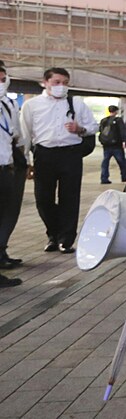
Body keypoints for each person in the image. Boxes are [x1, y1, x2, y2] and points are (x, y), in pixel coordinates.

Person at [21, 67, 99, 253]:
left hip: (70, 154)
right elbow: (25, 134)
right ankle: (53, 234)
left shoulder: (76, 103)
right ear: (45, 82)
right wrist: (26, 160)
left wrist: (79, 129)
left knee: (70, 198)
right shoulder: (32, 105)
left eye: (65, 83)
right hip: (44, 154)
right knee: (43, 198)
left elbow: (93, 126)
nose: (61, 87)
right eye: (56, 82)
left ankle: (66, 239)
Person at [0, 62, 28, 280]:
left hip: (7, 169)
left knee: (8, 215)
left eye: (2, 78)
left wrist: (24, 161)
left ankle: (1, 254)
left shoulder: (9, 104)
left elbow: (16, 136)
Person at [98, 105, 126, 184]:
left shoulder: (103, 120)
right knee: (122, 162)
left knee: (105, 162)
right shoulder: (118, 120)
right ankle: (124, 177)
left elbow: (100, 131)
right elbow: (122, 131)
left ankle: (104, 178)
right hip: (116, 145)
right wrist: (124, 141)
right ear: (116, 111)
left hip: (106, 145)